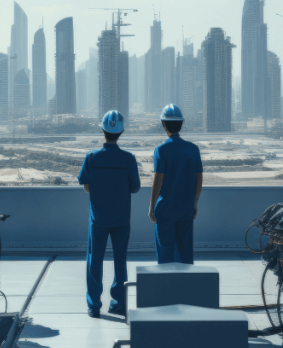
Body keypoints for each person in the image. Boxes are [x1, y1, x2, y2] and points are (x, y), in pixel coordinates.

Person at [79, 110, 141, 318]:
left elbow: (86, 186)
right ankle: (118, 302)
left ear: (102, 130)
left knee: (94, 261)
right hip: (121, 219)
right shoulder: (129, 159)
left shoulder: (92, 157)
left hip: (98, 218)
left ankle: (94, 305)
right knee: (119, 260)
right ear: (121, 131)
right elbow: (135, 188)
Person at [148, 104, 204, 264]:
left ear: (163, 124)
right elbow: (199, 177)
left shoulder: (161, 150)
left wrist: (152, 207)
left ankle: (166, 286)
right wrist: (194, 202)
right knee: (184, 252)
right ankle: (184, 286)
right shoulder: (193, 149)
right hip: (185, 208)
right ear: (181, 124)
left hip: (165, 209)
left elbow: (158, 179)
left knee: (165, 252)